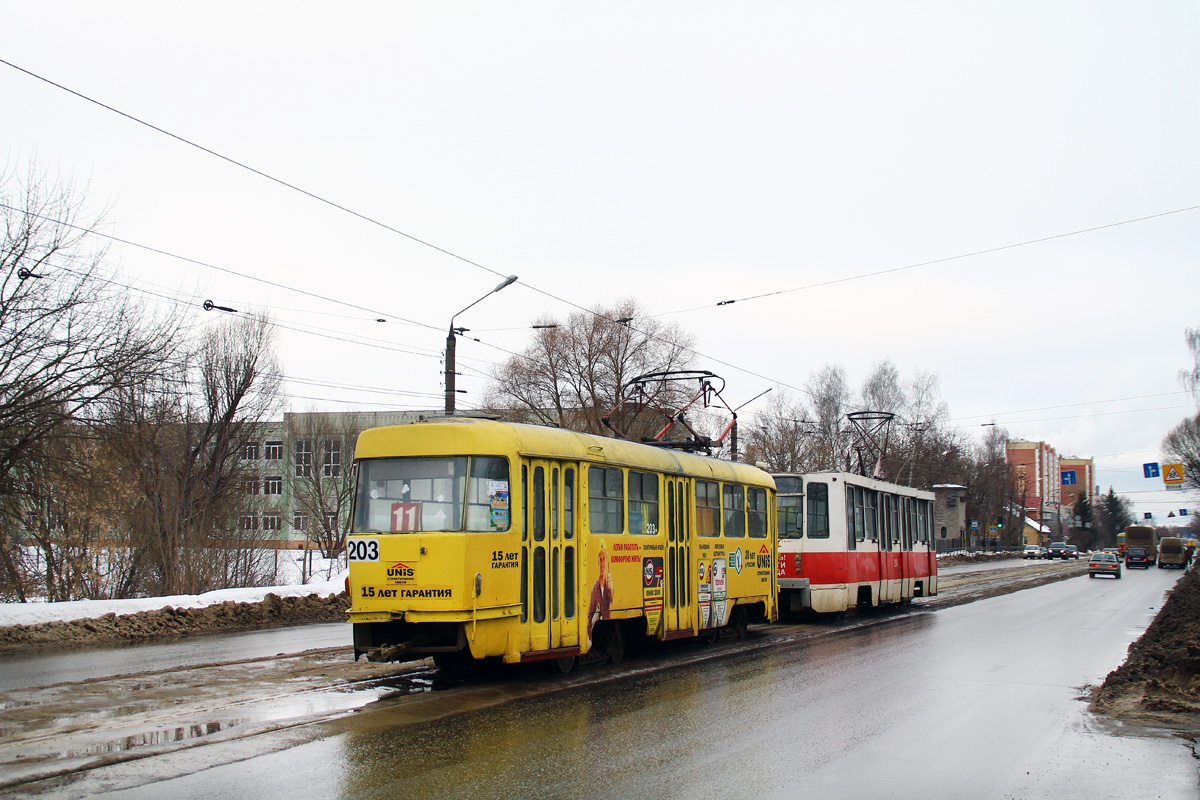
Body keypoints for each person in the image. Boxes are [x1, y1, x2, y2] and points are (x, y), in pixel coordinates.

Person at [587, 541, 613, 647]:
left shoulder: (609, 584)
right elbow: (590, 614)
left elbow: (611, 597)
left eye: (604, 559)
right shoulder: (594, 589)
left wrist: (610, 589)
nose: (602, 564)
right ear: (598, 563)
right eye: (600, 560)